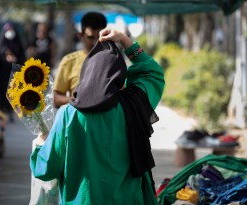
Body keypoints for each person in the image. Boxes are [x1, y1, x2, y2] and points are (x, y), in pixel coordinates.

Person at [30, 28, 165, 204]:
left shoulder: (68, 114)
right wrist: (124, 40)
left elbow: (46, 169)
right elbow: (152, 73)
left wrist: (41, 143)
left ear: (86, 74)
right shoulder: (132, 106)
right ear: (119, 76)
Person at [52, 11, 107, 108]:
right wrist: (77, 100)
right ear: (81, 35)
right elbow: (56, 98)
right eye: (90, 37)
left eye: (99, 37)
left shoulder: (111, 60)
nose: (95, 42)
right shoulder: (69, 61)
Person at [0, 22, 26, 120]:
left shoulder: (17, 42)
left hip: (14, 72)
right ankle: (2, 110)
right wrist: (5, 55)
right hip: (2, 72)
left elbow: (22, 57)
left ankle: (10, 111)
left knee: (12, 92)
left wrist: (15, 58)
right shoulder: (1, 42)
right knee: (2, 92)